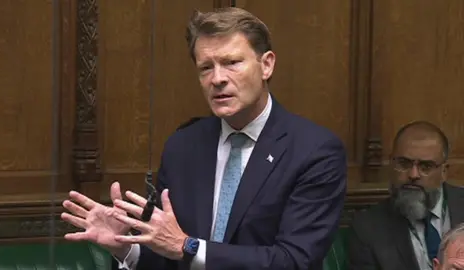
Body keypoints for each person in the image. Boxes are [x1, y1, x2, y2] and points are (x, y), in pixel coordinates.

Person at [61, 7, 347, 270]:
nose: (217, 79)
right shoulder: (183, 147)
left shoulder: (314, 151)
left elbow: (294, 261)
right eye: (206, 67)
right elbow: (168, 252)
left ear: (266, 65)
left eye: (232, 63)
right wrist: (126, 248)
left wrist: (189, 246)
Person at [348, 121, 464, 270]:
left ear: (444, 172)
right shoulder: (368, 227)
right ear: (391, 164)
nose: (413, 175)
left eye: (425, 166)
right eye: (404, 164)